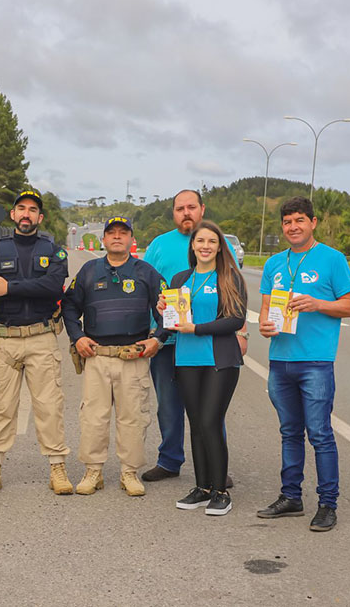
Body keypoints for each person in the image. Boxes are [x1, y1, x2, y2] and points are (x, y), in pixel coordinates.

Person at [257, 197, 350, 532]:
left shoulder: (332, 259)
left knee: (320, 434)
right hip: (280, 360)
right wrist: (264, 326)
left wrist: (318, 304)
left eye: (300, 220)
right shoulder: (274, 264)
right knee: (289, 433)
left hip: (315, 361)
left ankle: (328, 504)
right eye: (287, 222)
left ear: (313, 222)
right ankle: (291, 497)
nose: (293, 227)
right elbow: (265, 312)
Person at [142, 189, 244, 485]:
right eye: (179, 208)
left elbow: (233, 300)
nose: (185, 213)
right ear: (173, 213)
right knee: (169, 406)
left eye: (191, 207)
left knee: (210, 411)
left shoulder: (217, 244)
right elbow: (147, 287)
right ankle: (169, 460)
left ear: (202, 209)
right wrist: (153, 324)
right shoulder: (159, 245)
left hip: (207, 344)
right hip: (167, 340)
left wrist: (243, 333)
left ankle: (216, 470)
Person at [0, 190, 72, 496]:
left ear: (39, 218)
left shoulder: (54, 251)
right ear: (13, 215)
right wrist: (23, 288)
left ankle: (57, 467)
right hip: (6, 340)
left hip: (42, 337)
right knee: (2, 408)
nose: (27, 213)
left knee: (49, 406)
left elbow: (53, 286)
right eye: (21, 209)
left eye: (32, 209)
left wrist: (11, 287)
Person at [63, 217, 166, 497]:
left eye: (123, 233)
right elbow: (69, 308)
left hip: (133, 357)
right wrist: (78, 337)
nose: (117, 237)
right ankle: (92, 471)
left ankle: (129, 472)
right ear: (103, 240)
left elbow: (166, 310)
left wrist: (158, 338)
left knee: (133, 417)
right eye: (112, 233)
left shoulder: (146, 272)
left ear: (132, 239)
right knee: (93, 417)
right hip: (97, 356)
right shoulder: (88, 271)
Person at [157, 220, 247, 515]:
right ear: (192, 246)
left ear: (220, 247)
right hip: (186, 360)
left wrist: (196, 328)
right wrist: (162, 312)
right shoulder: (181, 279)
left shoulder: (230, 277)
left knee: (210, 421)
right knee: (196, 424)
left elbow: (235, 320)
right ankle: (202, 486)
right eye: (200, 241)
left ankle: (221, 491)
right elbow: (170, 324)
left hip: (219, 360)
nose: (205, 246)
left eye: (211, 241)